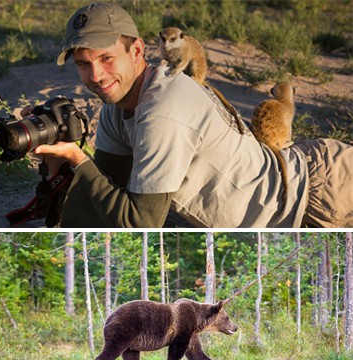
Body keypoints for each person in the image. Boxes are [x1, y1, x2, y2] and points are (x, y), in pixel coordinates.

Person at [32, 2, 353, 228]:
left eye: (106, 58)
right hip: (296, 191)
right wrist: (61, 168)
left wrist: (80, 161)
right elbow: (104, 191)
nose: (96, 75)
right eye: (83, 64)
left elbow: (140, 222)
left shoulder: (161, 112)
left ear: (138, 51)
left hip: (319, 189)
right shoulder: (116, 109)